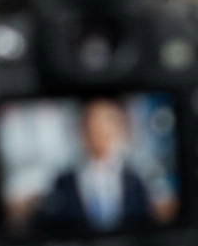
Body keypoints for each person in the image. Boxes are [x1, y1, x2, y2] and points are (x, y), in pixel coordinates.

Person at [30, 98, 174, 232]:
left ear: (119, 127)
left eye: (107, 122)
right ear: (81, 129)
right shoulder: (62, 182)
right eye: (92, 123)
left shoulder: (139, 176)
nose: (99, 130)